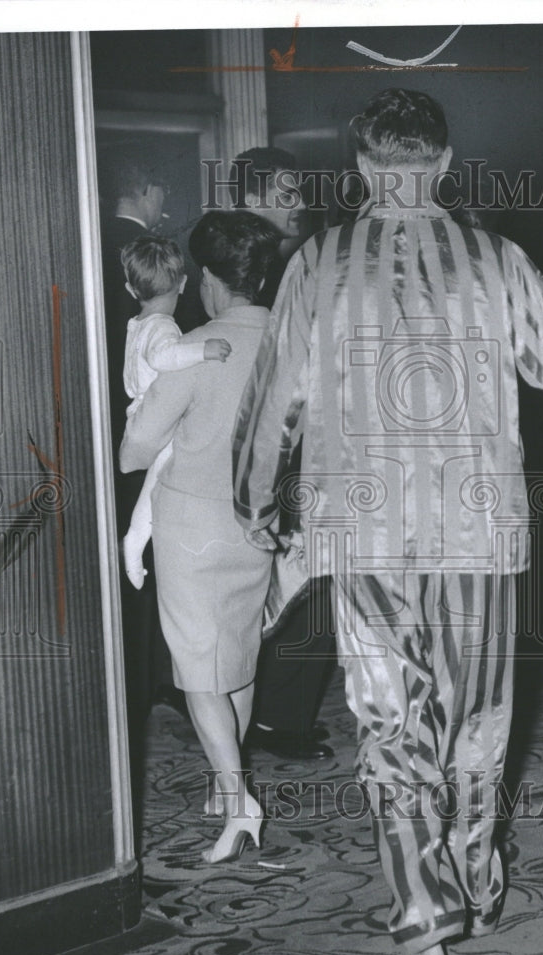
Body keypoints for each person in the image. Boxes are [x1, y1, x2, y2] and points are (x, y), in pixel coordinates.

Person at [231, 89, 543, 955]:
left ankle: (419, 908)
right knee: (479, 717)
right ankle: (474, 876)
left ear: (360, 169)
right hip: (477, 527)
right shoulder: (492, 258)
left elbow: (274, 394)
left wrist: (253, 505)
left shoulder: (317, 260)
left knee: (388, 721)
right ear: (441, 162)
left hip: (362, 528)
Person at [120, 210, 281, 863]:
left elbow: (134, 453)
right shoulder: (292, 341)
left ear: (211, 278)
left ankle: (240, 802)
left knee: (199, 672)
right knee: (236, 656)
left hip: (192, 526)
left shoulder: (193, 349)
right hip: (260, 523)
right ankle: (226, 787)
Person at [230, 146, 337, 760]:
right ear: (251, 200)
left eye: (300, 192)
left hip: (304, 451)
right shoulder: (240, 268)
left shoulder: (300, 258)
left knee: (311, 582)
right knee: (290, 586)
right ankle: (270, 716)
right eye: (286, 194)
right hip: (262, 453)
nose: (300, 205)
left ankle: (280, 713)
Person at [99, 155, 179, 829]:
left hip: (128, 420)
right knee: (155, 498)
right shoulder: (163, 320)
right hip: (154, 427)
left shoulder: (127, 298)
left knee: (145, 508)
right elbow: (170, 360)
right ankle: (162, 672)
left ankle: (155, 670)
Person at [119, 235, 232, 588]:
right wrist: (204, 350)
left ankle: (138, 540)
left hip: (142, 410)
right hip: (156, 416)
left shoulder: (138, 323)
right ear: (184, 283)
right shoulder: (163, 327)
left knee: (157, 482)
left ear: (129, 288)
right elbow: (163, 357)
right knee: (159, 481)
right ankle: (135, 541)